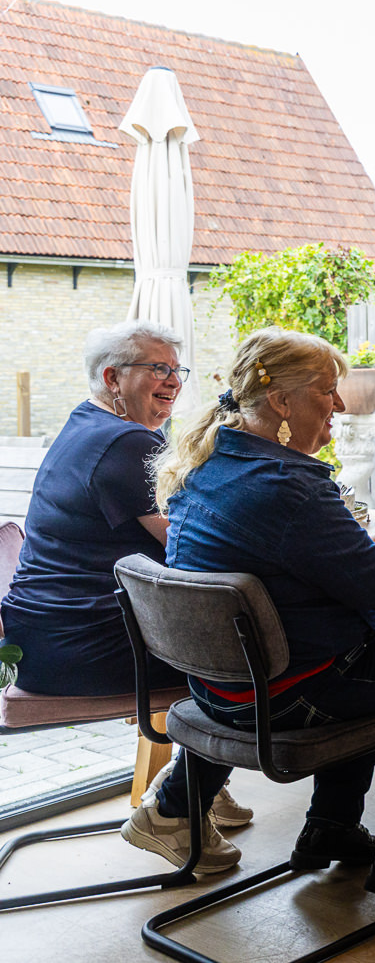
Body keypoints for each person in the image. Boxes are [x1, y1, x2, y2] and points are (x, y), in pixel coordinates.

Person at [137, 328, 375, 894]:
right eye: (327, 390)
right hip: (288, 694)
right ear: (281, 402)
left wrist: (353, 554)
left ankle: (331, 831)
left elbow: (293, 560)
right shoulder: (289, 483)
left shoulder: (205, 463)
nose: (340, 405)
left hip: (215, 688)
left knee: (374, 656)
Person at [0, 321, 254, 868]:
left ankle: (195, 780)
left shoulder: (86, 423)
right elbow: (189, 540)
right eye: (156, 369)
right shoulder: (125, 442)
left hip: (47, 634)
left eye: (176, 370)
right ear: (113, 377)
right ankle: (178, 804)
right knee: (252, 657)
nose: (173, 382)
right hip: (80, 648)